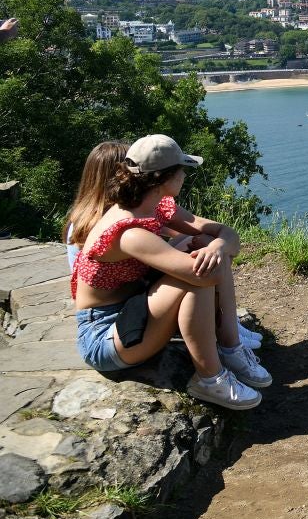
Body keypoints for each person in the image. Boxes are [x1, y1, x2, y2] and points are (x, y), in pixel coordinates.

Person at [71, 135, 270, 409]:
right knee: (197, 273)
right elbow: (207, 276)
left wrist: (219, 246)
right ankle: (210, 379)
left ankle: (230, 347)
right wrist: (213, 252)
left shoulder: (154, 206)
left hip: (134, 311)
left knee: (205, 255)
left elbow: (227, 233)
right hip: (105, 338)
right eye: (182, 169)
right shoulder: (127, 232)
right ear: (164, 178)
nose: (185, 175)